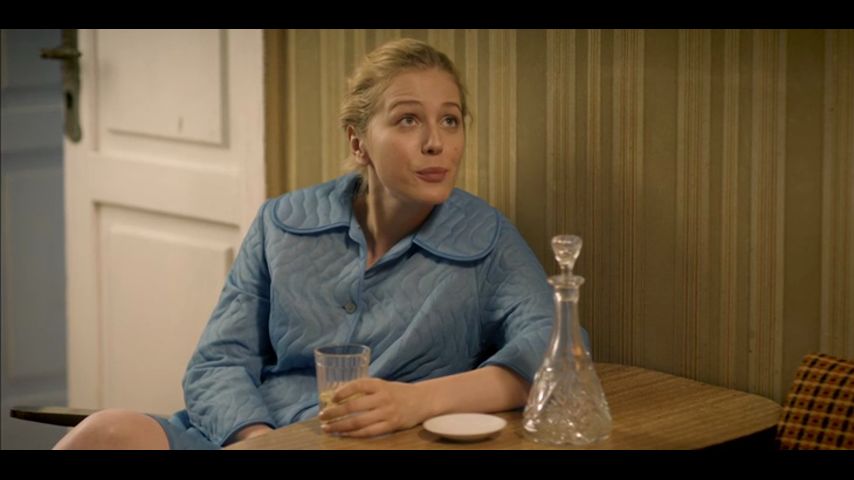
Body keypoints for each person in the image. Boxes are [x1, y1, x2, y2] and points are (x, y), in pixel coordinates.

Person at [55, 38, 562, 450]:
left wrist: (417, 401)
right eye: (408, 119)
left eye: (449, 120)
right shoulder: (283, 222)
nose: (436, 143)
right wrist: (257, 439)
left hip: (377, 444)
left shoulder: (486, 238)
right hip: (248, 437)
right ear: (358, 142)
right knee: (107, 432)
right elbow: (218, 362)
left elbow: (551, 352)